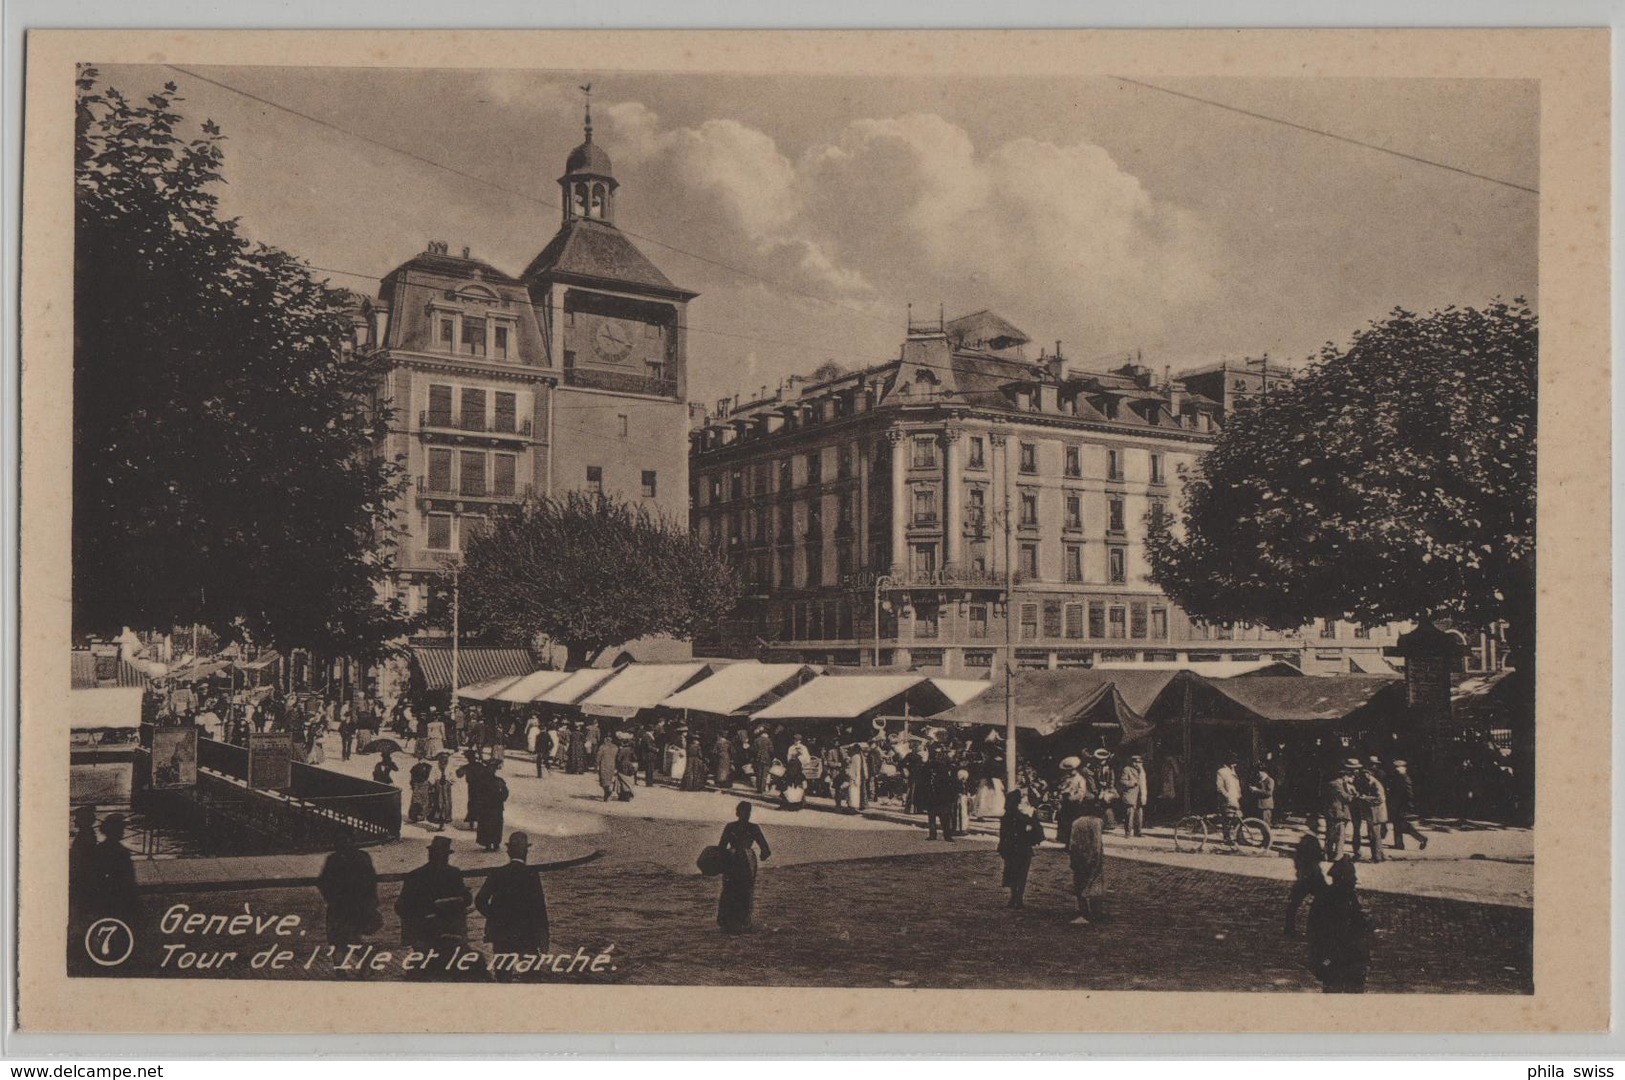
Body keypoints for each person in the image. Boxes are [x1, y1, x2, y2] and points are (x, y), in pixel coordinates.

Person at [475, 832, 550, 981]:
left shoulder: (497, 873)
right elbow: (539, 909)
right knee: (531, 977)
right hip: (527, 935)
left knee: (503, 976)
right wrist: (544, 937)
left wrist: (495, 916)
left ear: (509, 852)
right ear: (525, 851)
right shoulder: (531, 874)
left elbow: (480, 901)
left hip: (501, 935)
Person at [395, 836, 472, 965]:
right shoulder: (453, 874)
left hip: (425, 932)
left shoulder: (415, 875)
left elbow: (401, 907)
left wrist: (416, 921)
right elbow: (468, 900)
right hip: (448, 932)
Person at [1306, 856, 1371, 993]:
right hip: (1335, 959)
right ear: (1341, 879)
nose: (1354, 881)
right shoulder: (1331, 898)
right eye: (1351, 877)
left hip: (1346, 960)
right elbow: (1318, 932)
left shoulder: (1345, 896)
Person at [316, 839, 381, 975]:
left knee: (345, 938)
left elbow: (369, 881)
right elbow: (323, 881)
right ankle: (346, 967)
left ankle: (360, 962)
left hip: (350, 906)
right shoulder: (340, 858)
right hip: (344, 906)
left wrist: (369, 902)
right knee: (340, 938)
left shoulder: (353, 858)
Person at [716, 801, 772, 934]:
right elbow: (766, 850)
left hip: (732, 859)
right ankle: (743, 921)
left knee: (729, 890)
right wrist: (762, 855)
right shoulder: (754, 828)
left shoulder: (730, 827)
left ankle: (726, 921)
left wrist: (720, 862)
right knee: (746, 890)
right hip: (747, 860)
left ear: (737, 813)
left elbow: (721, 847)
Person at [89, 813, 140, 932]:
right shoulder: (122, 852)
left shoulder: (99, 849)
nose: (123, 832)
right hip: (120, 897)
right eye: (121, 829)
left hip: (105, 896)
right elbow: (128, 879)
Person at [997, 790, 1047, 909]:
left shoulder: (1006, 817)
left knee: (1011, 872)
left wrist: (1001, 848)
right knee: (1022, 874)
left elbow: (1002, 834)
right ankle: (1018, 898)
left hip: (1010, 848)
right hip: (1023, 849)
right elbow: (1038, 830)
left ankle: (1014, 897)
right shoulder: (1024, 817)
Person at [1067, 790, 1107, 926]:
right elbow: (1096, 843)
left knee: (1079, 883)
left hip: (1079, 857)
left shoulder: (1076, 822)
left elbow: (1072, 844)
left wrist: (1073, 858)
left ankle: (1083, 911)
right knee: (1095, 885)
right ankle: (1096, 913)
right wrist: (1096, 858)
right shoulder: (1097, 823)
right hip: (1093, 857)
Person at [1284, 833, 1327, 937]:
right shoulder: (1313, 862)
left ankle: (1289, 929)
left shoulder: (1300, 858)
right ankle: (1317, 929)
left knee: (1293, 905)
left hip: (1304, 879)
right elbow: (1320, 858)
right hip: (1314, 878)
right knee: (1323, 901)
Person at [1386, 760, 1429, 851]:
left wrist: (1408, 805)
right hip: (1397, 805)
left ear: (1402, 768)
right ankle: (1399, 844)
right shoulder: (1398, 777)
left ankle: (1421, 838)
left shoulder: (1405, 778)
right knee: (1397, 824)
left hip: (1402, 806)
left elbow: (1409, 793)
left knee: (1403, 825)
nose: (1396, 769)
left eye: (1398, 768)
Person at [1351, 760, 1387, 863]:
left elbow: (1380, 799)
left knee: (1375, 835)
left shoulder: (1375, 783)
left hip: (1376, 814)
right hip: (1372, 813)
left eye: (1366, 774)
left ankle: (1377, 857)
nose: (1365, 777)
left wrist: (1366, 798)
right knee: (1375, 835)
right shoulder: (1370, 782)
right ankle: (1380, 856)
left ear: (1370, 774)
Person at [1322, 762, 1358, 861]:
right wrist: (1353, 792)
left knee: (1330, 834)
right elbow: (1346, 798)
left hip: (1331, 812)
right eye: (1349, 777)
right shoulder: (1337, 785)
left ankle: (1327, 854)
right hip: (1338, 813)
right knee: (1340, 836)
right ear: (1345, 776)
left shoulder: (1331, 783)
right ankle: (1338, 856)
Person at [1054, 757, 1092, 847]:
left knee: (1073, 825)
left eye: (1071, 770)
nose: (1069, 772)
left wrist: (1071, 798)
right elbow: (1060, 788)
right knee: (1064, 824)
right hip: (1065, 804)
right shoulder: (1065, 778)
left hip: (1074, 805)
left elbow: (1081, 793)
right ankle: (1066, 843)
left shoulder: (1080, 779)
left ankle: (1072, 845)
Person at [926, 751, 961, 841]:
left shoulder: (932, 767)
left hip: (936, 795)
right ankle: (946, 835)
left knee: (933, 816)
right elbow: (955, 783)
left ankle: (934, 835)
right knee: (944, 817)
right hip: (942, 796)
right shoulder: (949, 769)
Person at [1116, 754, 1148, 838]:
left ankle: (1138, 832)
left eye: (1139, 762)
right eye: (1136, 762)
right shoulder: (1127, 769)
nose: (1138, 764)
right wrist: (1132, 783)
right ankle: (1128, 832)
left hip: (1139, 795)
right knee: (1129, 814)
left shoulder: (1142, 771)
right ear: (1132, 762)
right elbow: (1122, 781)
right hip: (1130, 795)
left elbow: (1144, 783)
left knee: (1139, 814)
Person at [1214, 753, 1243, 842]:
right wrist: (1227, 796)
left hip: (1235, 799)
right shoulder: (1222, 771)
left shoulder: (1233, 771)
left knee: (1239, 819)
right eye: (1233, 762)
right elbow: (1219, 787)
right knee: (1228, 820)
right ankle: (1227, 838)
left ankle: (1240, 838)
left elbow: (1236, 786)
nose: (1235, 764)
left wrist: (1239, 794)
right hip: (1227, 800)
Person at [426, 753, 454, 830]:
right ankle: (440, 822)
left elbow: (453, 778)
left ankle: (443, 822)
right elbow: (431, 778)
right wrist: (434, 784)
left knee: (446, 803)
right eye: (442, 759)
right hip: (438, 787)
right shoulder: (435, 767)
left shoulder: (450, 767)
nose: (443, 761)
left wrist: (448, 782)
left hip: (446, 787)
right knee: (438, 803)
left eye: (445, 759)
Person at [595, 732, 620, 802]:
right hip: (612, 766)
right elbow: (617, 757)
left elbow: (598, 757)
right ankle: (607, 793)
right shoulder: (615, 747)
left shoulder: (602, 747)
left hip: (603, 765)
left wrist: (596, 765)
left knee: (603, 780)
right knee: (608, 780)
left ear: (606, 739)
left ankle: (607, 792)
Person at [752, 727, 775, 795]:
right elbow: (771, 751)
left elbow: (753, 750)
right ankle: (762, 789)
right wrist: (772, 757)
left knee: (758, 774)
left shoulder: (756, 740)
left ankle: (758, 789)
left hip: (758, 759)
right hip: (766, 759)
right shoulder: (769, 741)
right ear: (766, 734)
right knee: (764, 774)